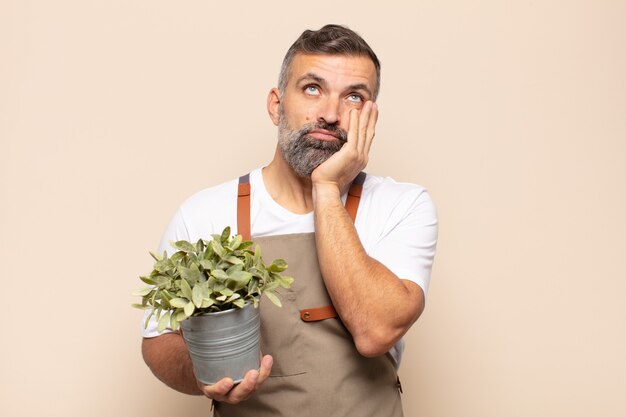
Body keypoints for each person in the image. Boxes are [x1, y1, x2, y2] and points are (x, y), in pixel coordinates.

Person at [141, 24, 438, 416]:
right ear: (276, 105)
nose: (331, 115)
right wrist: (201, 374)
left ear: (371, 118)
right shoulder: (205, 212)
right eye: (312, 88)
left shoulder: (403, 206)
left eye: (353, 97)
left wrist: (327, 187)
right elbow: (159, 341)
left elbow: (375, 332)